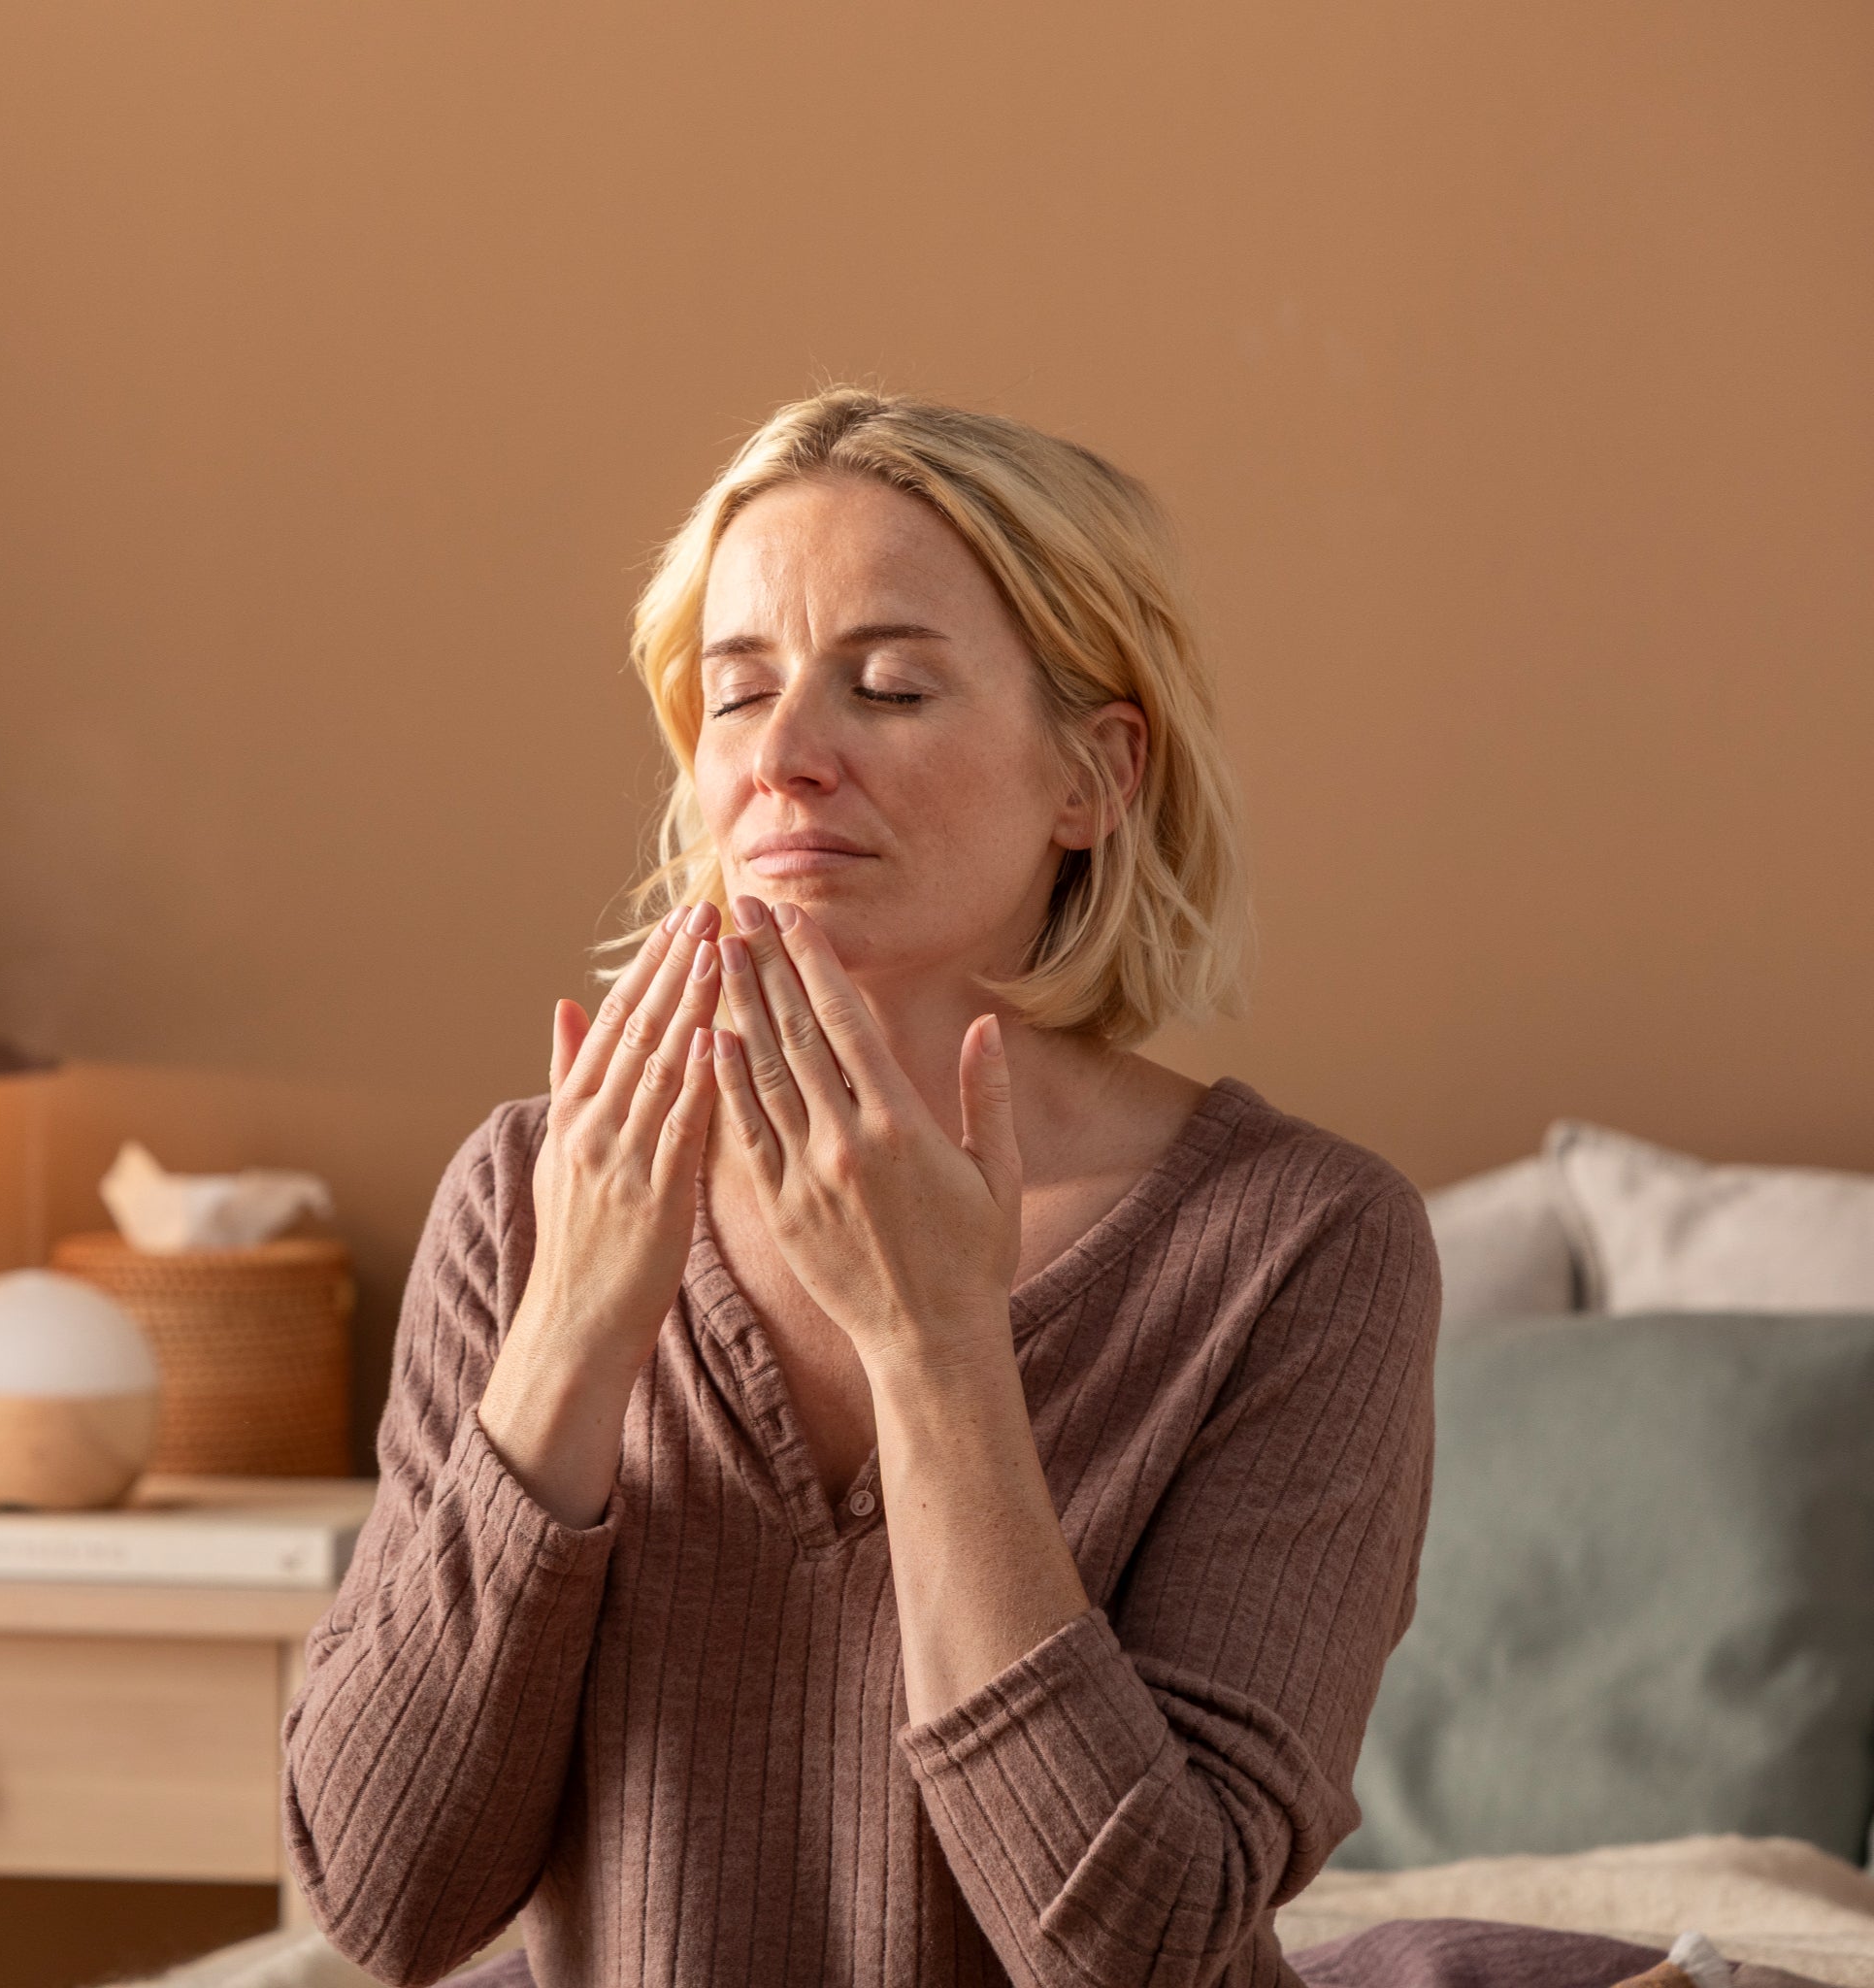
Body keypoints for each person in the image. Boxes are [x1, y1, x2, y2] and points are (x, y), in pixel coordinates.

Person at [280, 387, 1442, 1988]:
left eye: (887, 689)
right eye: (736, 693)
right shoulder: (523, 1191)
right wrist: (568, 1329)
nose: (786, 759)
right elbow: (381, 1902)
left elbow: (1149, 1950)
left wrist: (937, 1349)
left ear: (1093, 780)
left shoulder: (1304, 1249)